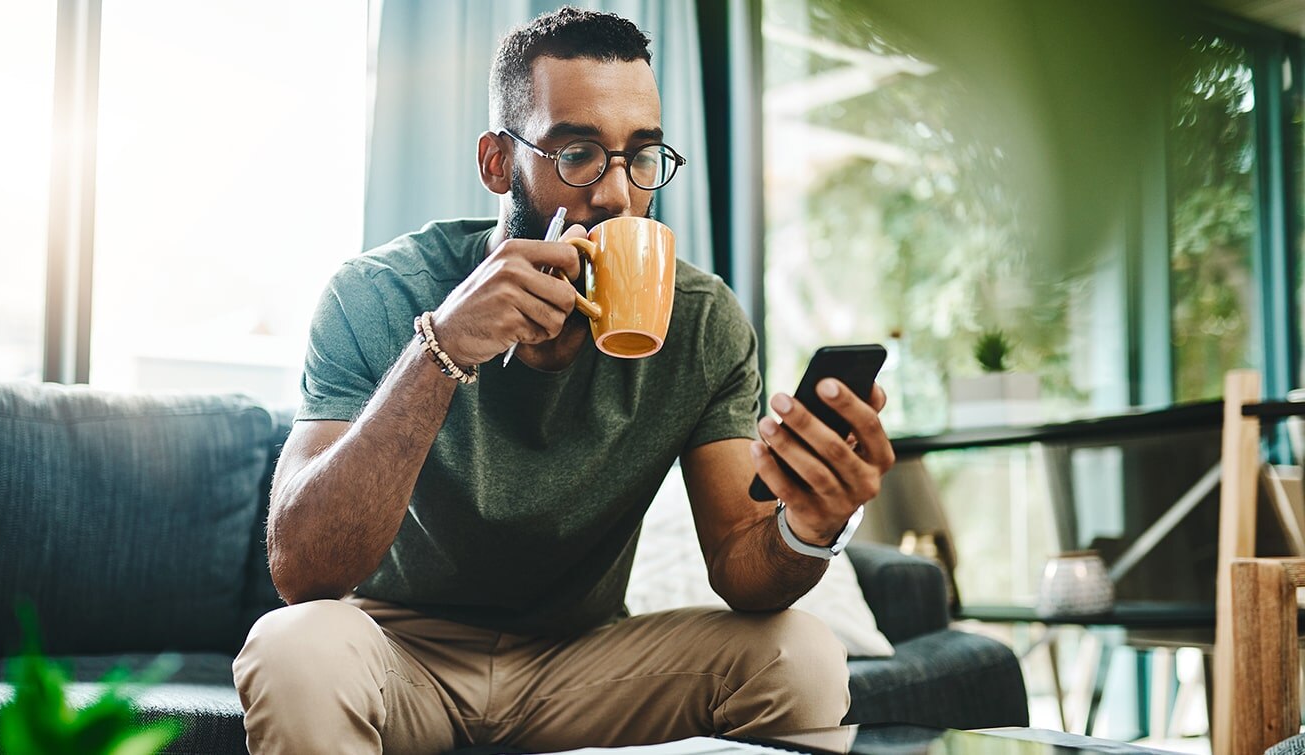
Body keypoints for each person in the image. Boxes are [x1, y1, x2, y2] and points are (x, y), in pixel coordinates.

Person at [233, 7, 894, 754]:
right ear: (495, 163)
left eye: (642, 157)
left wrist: (810, 524)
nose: (615, 196)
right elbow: (302, 568)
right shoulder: (377, 294)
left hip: (582, 665)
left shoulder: (703, 321)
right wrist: (440, 350)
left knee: (799, 653)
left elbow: (743, 571)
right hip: (401, 654)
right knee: (293, 646)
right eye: (577, 152)